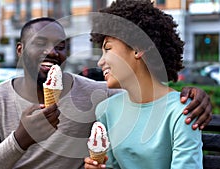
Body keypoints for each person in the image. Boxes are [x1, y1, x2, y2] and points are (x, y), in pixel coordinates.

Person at [0, 16, 210, 169]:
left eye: (60, 46)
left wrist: (192, 95)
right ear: (20, 50)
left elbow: (145, 95)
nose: (52, 52)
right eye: (40, 43)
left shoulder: (97, 96)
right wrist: (20, 139)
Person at [84, 0, 203, 168]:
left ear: (137, 49)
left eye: (108, 49)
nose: (100, 62)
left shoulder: (181, 111)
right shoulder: (106, 110)